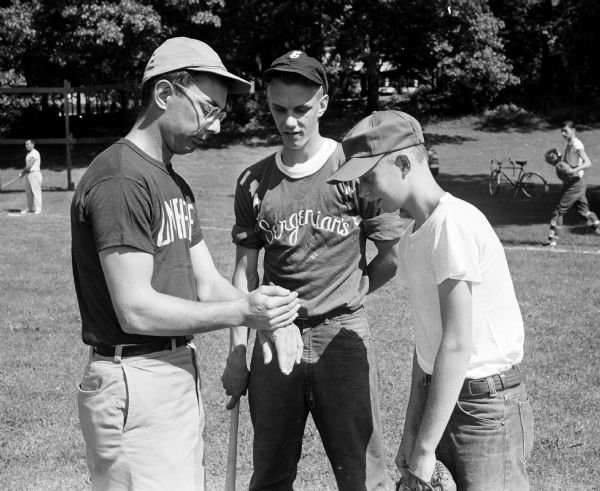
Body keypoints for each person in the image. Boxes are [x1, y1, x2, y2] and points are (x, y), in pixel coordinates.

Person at [70, 37, 302, 491]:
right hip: (135, 378)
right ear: (164, 94)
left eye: (219, 113)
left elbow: (208, 283)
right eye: (207, 109)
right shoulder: (122, 178)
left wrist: (272, 316)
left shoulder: (172, 183)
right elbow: (135, 309)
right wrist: (244, 312)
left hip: (172, 370)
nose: (214, 127)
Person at [221, 50, 403, 490]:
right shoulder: (253, 180)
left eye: (301, 110)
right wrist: (236, 352)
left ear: (323, 103)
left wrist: (358, 293)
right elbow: (245, 275)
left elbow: (392, 255)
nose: (290, 122)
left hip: (340, 338)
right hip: (274, 339)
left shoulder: (354, 170)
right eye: (279, 109)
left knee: (363, 475)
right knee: (270, 475)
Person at [328, 110, 534, 490]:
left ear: (403, 163)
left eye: (368, 178)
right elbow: (426, 347)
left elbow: (457, 344)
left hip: (485, 411)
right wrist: (412, 431)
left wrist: (425, 449)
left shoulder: (451, 225)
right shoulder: (411, 239)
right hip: (442, 402)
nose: (363, 193)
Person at [544, 120, 600, 247]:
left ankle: (552, 240)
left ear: (573, 131)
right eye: (562, 131)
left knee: (558, 211)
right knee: (584, 214)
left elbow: (588, 162)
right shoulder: (569, 144)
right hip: (572, 183)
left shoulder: (576, 144)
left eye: (566, 131)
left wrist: (573, 170)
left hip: (576, 183)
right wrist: (557, 161)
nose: (563, 133)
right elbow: (566, 166)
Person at [20, 139, 42, 214]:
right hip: (28, 174)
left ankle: (38, 209)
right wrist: (23, 173)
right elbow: (28, 166)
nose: (26, 146)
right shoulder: (28, 154)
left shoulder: (35, 153)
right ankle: (29, 208)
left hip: (35, 174)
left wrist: (22, 172)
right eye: (25, 144)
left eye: (28, 144)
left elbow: (30, 165)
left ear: (33, 144)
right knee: (28, 193)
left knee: (36, 192)